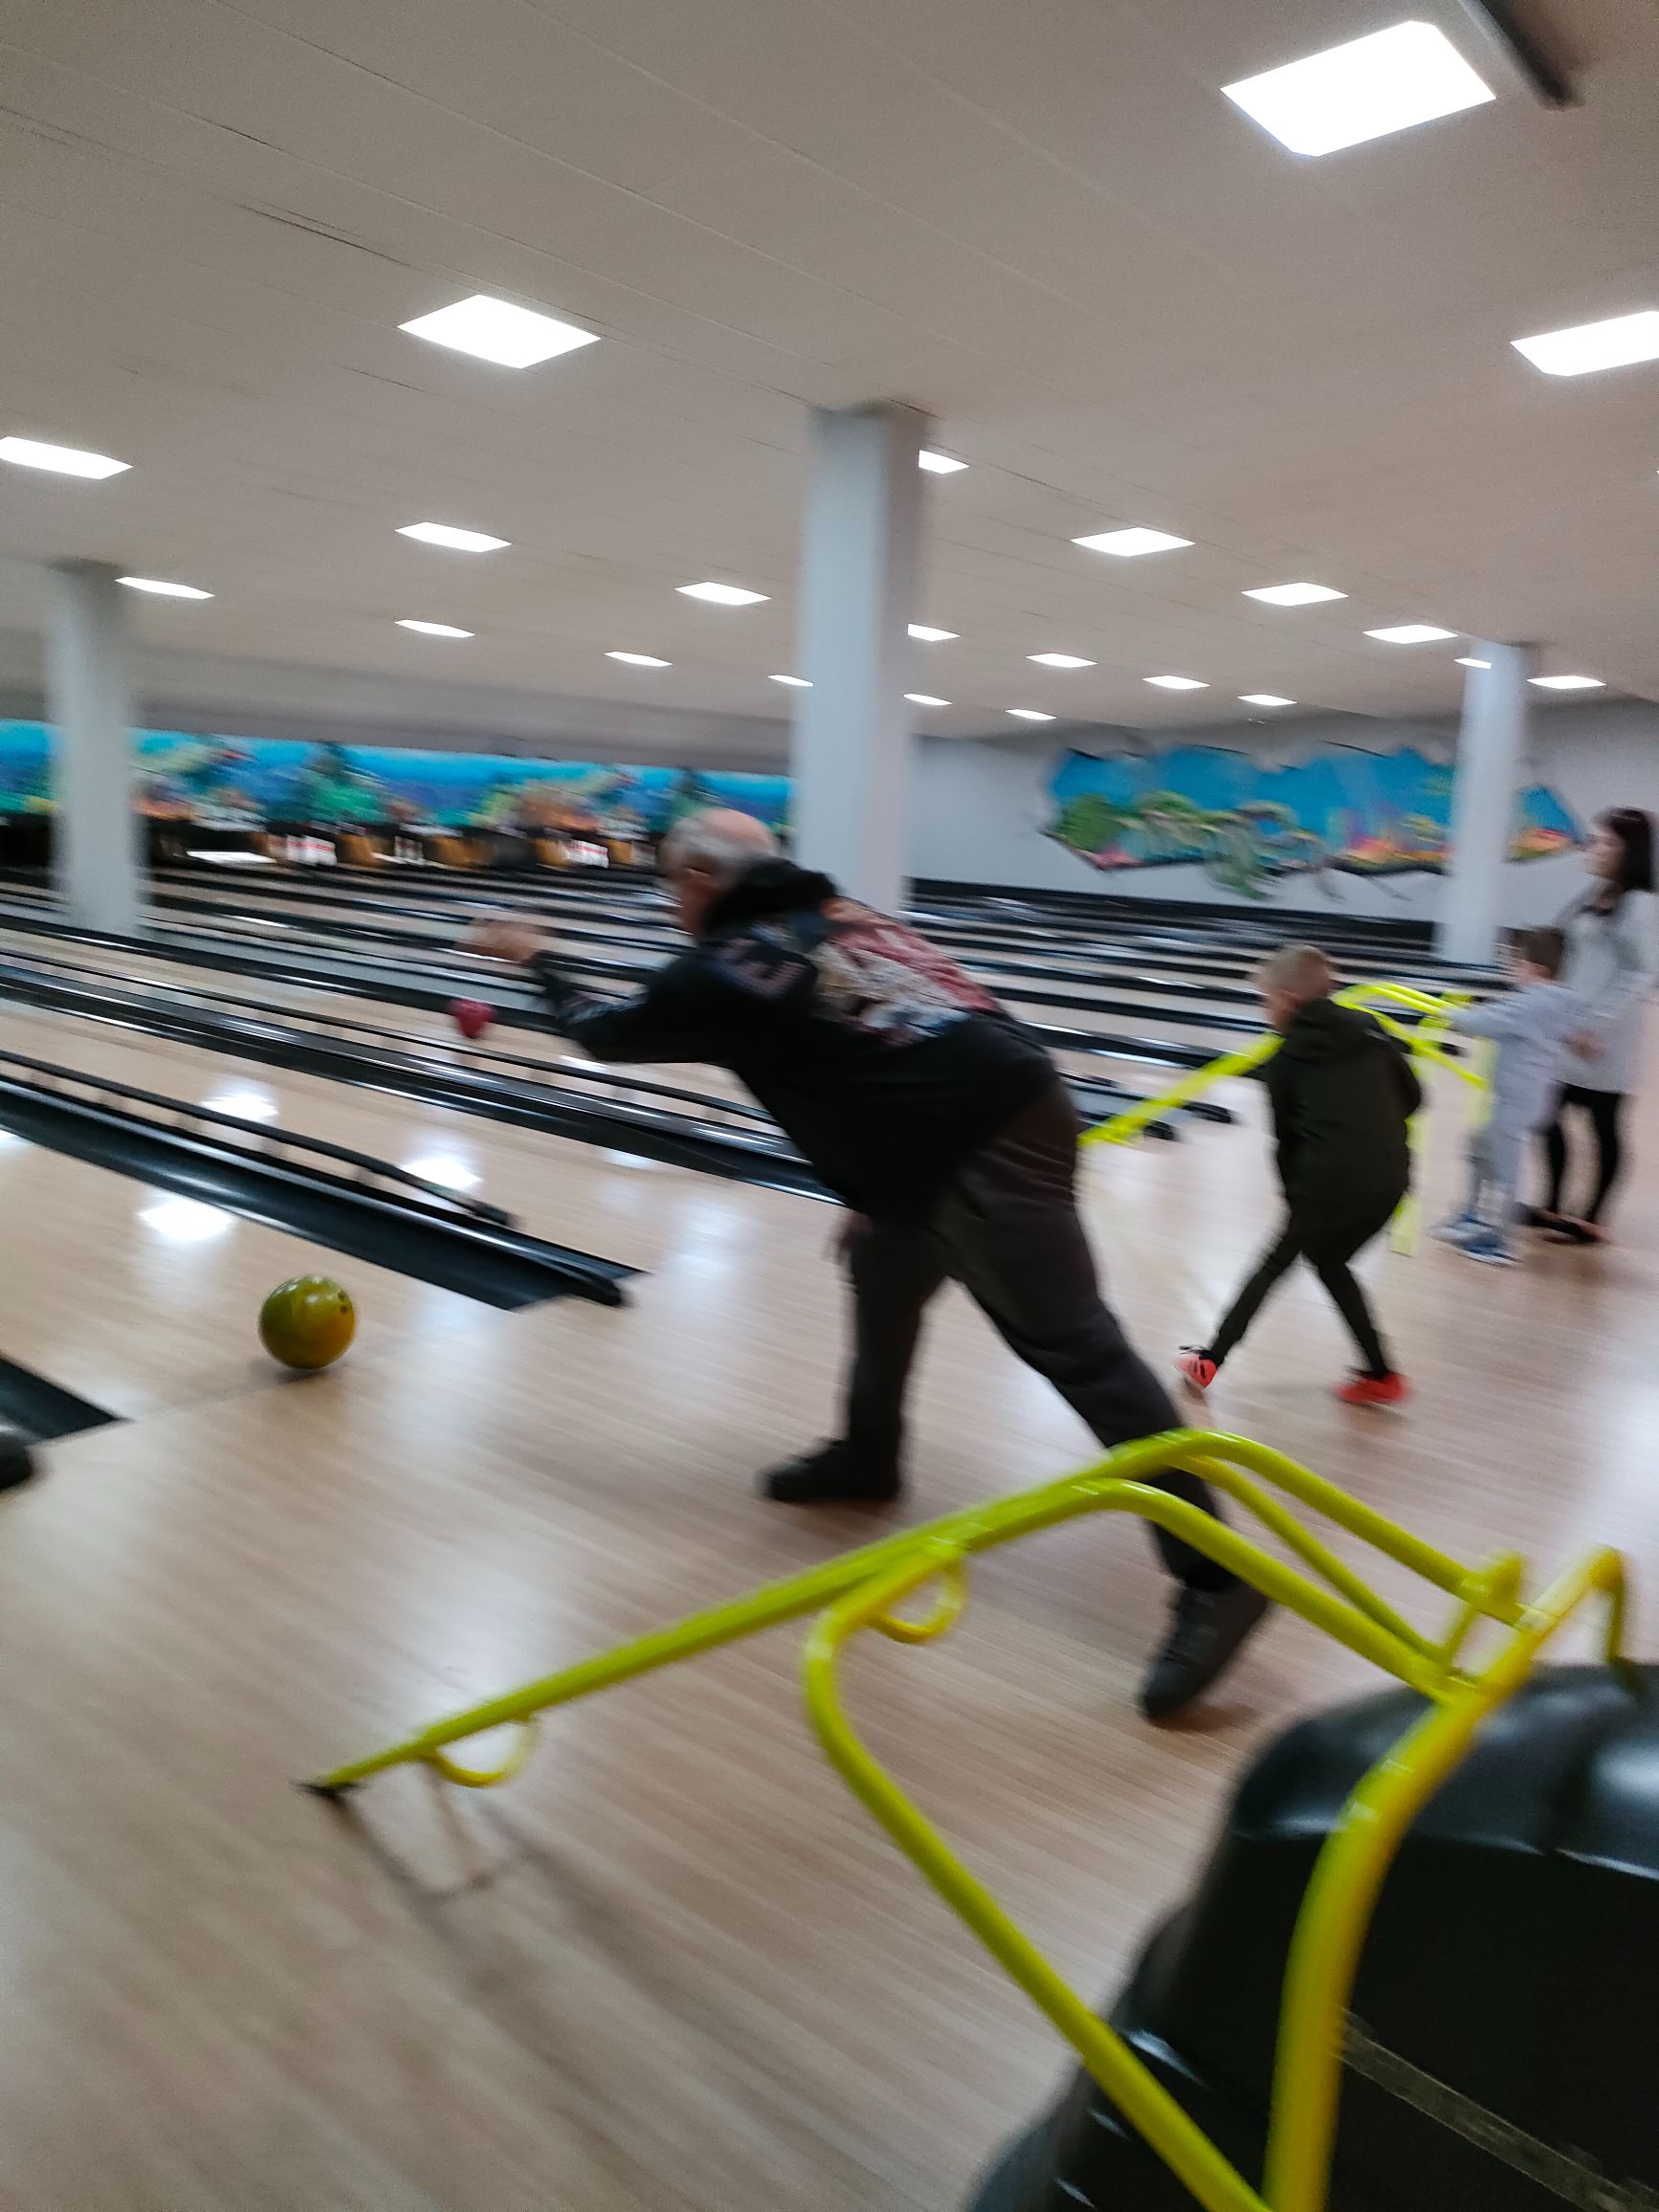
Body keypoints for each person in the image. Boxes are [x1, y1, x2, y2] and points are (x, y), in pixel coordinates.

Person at [464, 808, 1268, 1723]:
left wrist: (536, 955)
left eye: (669, 885)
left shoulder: (719, 965)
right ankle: (867, 1454)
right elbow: (916, 1022)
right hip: (987, 1109)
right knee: (885, 1269)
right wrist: (881, 1179)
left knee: (1081, 1352)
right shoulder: (842, 915)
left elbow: (606, 1032)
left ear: (699, 879)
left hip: (976, 1142)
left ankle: (1219, 1578)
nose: (669, 904)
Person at [1177, 944, 1418, 1405]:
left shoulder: (1285, 1061)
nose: (1264, 1011)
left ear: (1287, 1000)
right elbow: (1414, 1097)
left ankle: (1207, 1363)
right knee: (1329, 1262)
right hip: (1391, 1180)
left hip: (1327, 1184)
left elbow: (1284, 1143)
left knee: (1275, 1263)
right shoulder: (1371, 1029)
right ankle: (1381, 1374)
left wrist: (1297, 1199)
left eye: (1265, 1000)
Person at [1535, 807, 1659, 1245]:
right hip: (1571, 1029)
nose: (1595, 849)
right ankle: (1551, 1204)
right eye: (1594, 841)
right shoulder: (1598, 894)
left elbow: (1641, 973)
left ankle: (1592, 1219)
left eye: (1606, 842)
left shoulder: (1641, 905)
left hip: (1604, 1038)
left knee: (1603, 1124)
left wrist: (1596, 1025)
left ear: (1630, 852)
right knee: (1545, 1115)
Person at [1434, 928, 1584, 1267]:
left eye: (1516, 963)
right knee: (1478, 1147)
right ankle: (1473, 1215)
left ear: (1537, 969)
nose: (1510, 969)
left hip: (1519, 1101)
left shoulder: (1533, 1003)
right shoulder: (1552, 1001)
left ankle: (1503, 1241)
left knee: (1506, 1170)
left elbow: (1483, 1024)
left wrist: (1450, 1014)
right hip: (1528, 1098)